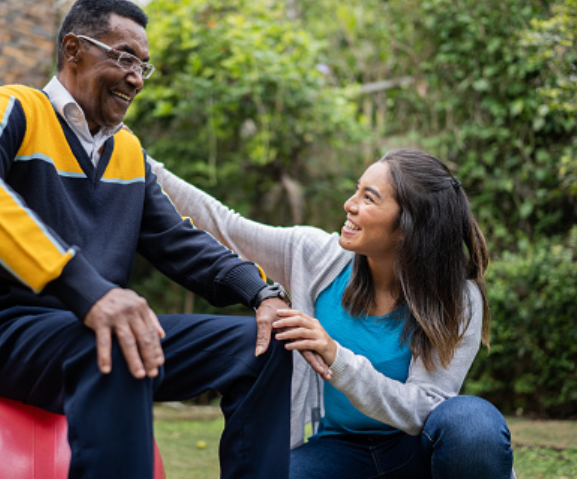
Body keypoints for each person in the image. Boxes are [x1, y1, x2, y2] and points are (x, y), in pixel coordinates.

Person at [0, 0, 297, 479]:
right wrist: (88, 291)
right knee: (119, 335)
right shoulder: (19, 107)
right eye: (124, 57)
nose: (135, 78)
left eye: (144, 66)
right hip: (7, 333)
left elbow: (179, 242)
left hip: (101, 334)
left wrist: (260, 292)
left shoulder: (128, 151)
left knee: (267, 345)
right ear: (73, 49)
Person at [148, 148, 516, 478]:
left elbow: (424, 409)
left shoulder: (458, 297)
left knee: (471, 424)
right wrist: (141, 163)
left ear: (407, 227)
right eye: (356, 190)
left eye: (368, 199)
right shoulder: (315, 255)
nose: (349, 204)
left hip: (415, 451)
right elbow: (225, 226)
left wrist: (338, 358)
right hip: (340, 450)